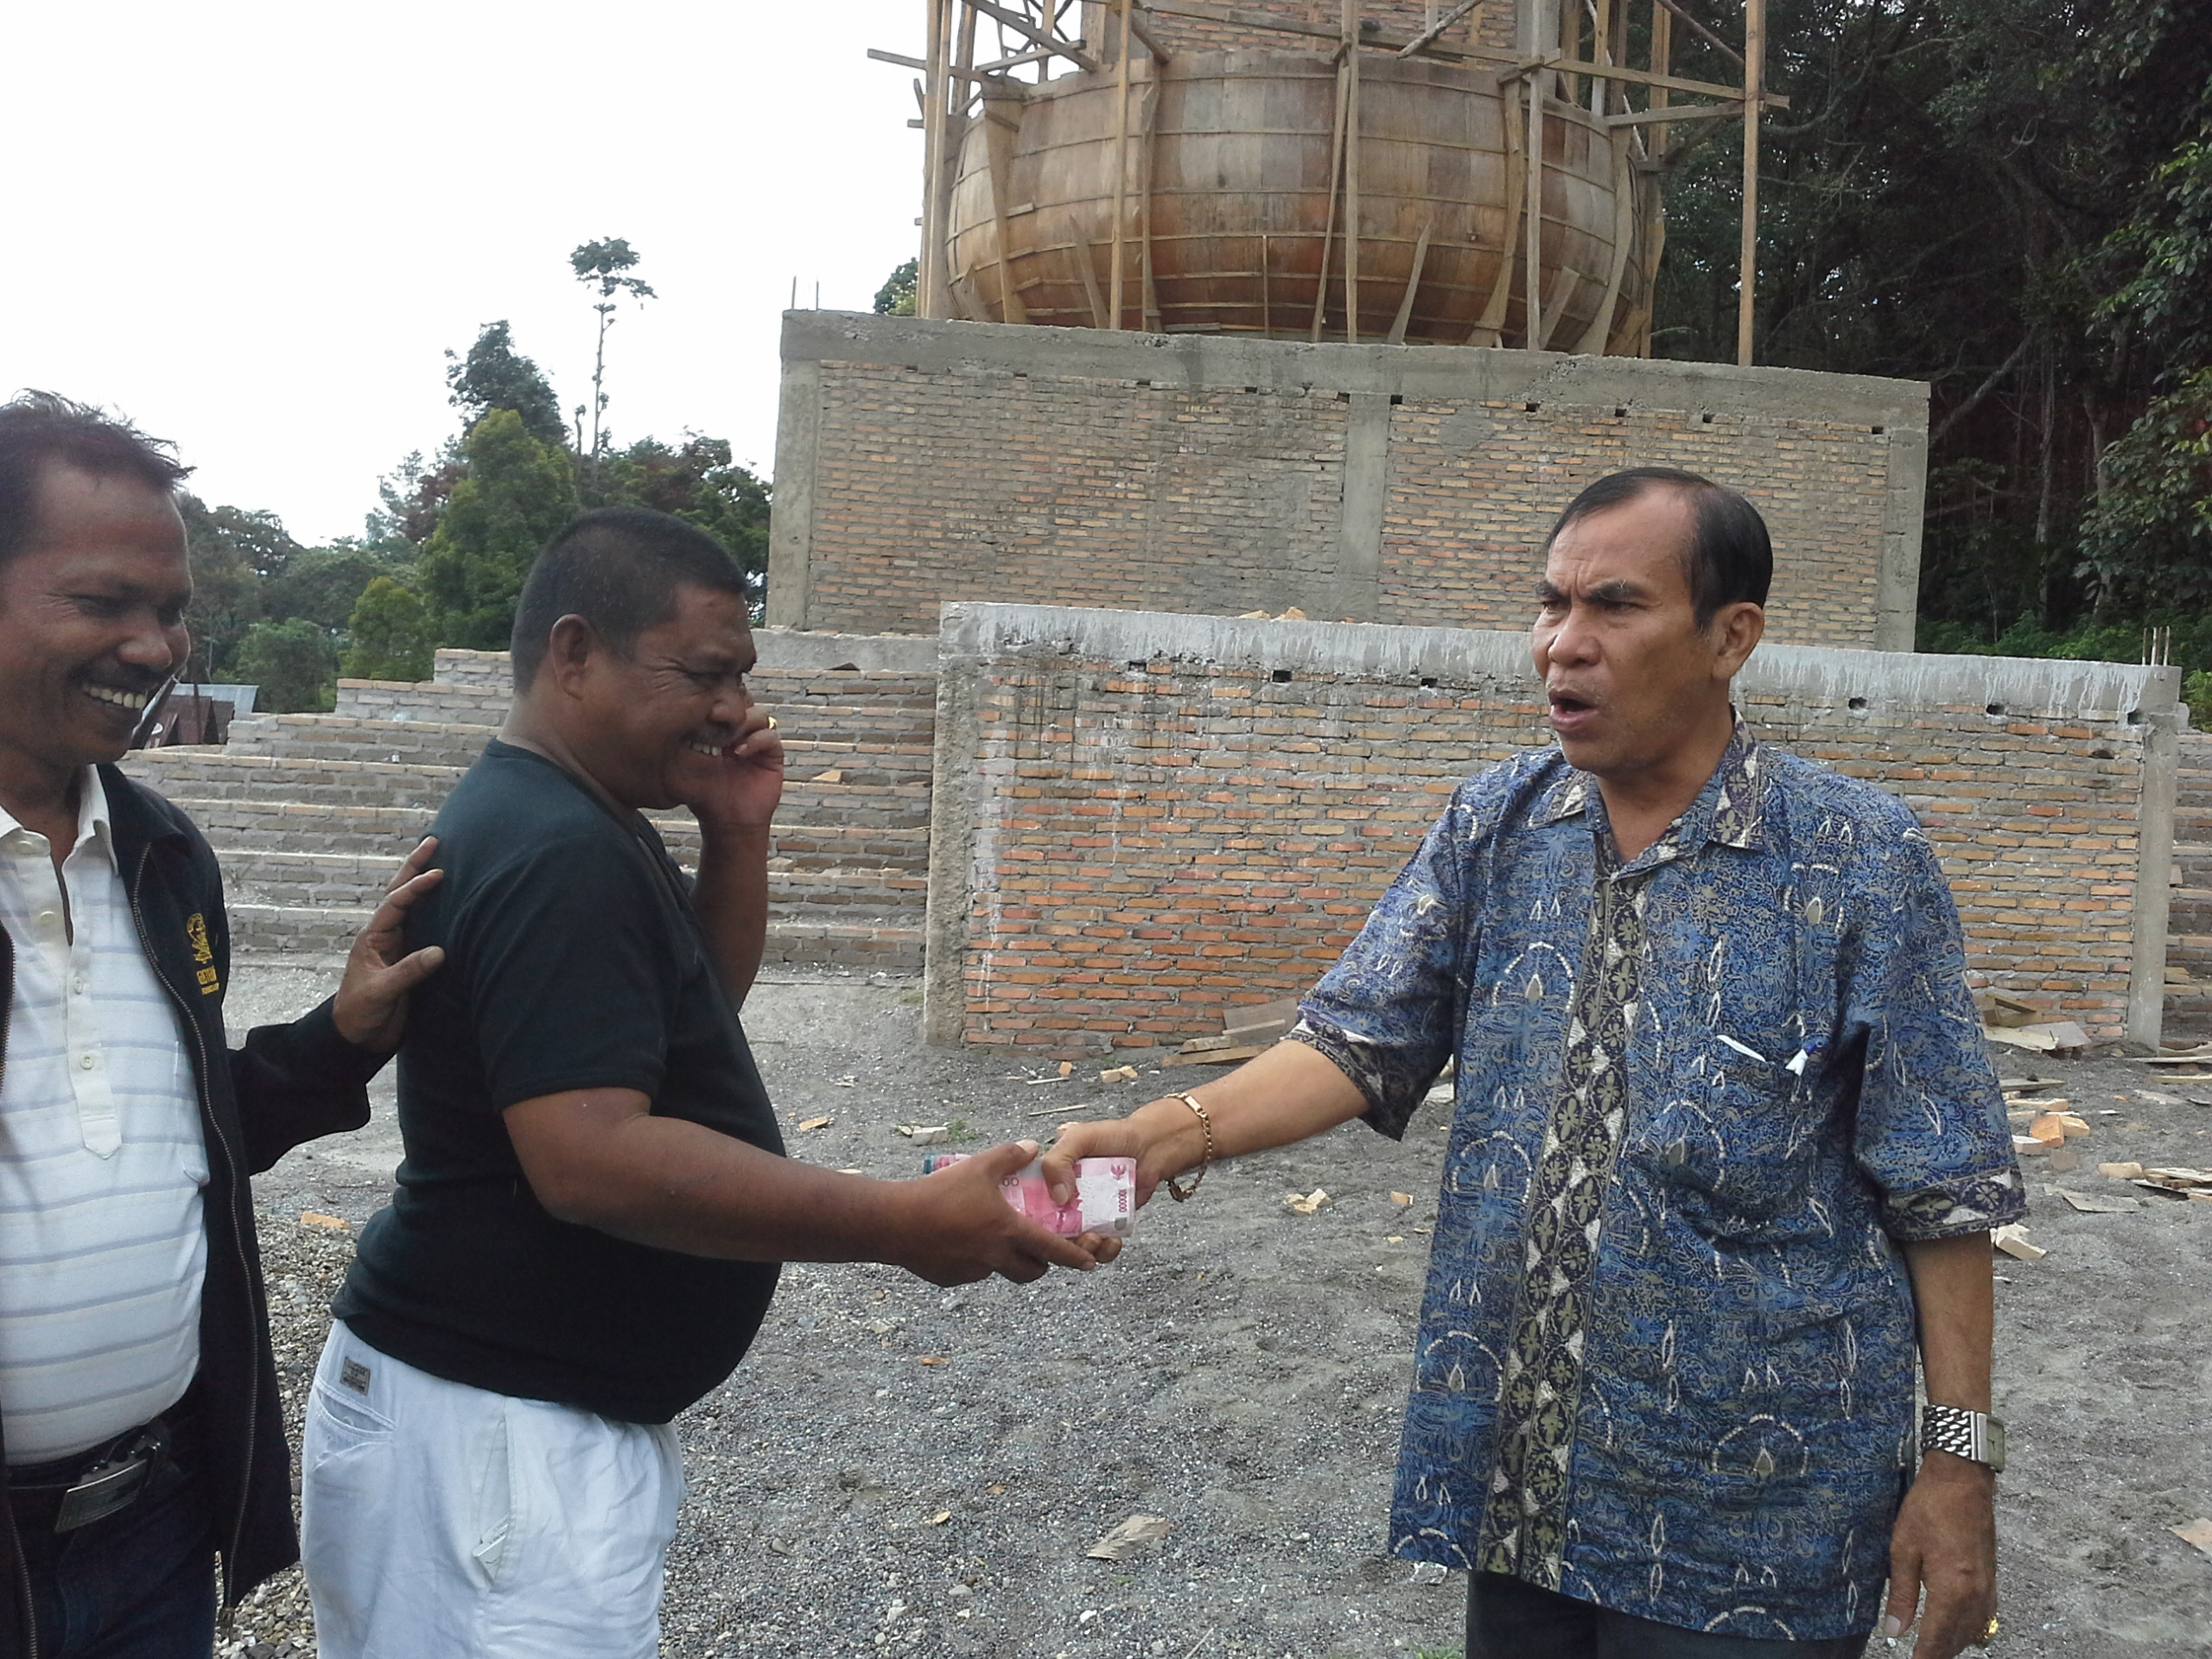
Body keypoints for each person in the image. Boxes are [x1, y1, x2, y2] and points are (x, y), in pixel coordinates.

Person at [1050, 467, 2022, 1659]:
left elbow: (1944, 1185)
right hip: (1524, 1481)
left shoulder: (1856, 858)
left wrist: (1957, 1467)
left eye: (1615, 606)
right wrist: (1148, 1140)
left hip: (1760, 1517)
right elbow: (1357, 1040)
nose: (1563, 644)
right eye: (1551, 604)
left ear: (1731, 638)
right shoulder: (1498, 825)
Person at [300, 506, 1105, 1658]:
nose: (734, 706)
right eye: (705, 673)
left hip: (505, 1430)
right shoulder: (558, 848)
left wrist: (735, 836)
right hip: (494, 1444)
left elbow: (679, 1022)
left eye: (742, 676)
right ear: (575, 654)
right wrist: (897, 1222)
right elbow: (588, 1158)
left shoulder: (577, 815)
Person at [0, 391, 445, 1656]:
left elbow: (178, 1144)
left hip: (150, 1535)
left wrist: (340, 1037)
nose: (155, 647)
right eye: (103, 602)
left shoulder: (160, 855)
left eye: (172, 609)